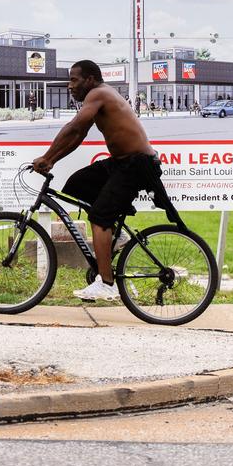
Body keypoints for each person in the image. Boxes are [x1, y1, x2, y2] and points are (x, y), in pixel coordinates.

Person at [32, 60, 179, 301]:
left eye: (73, 80)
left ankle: (107, 283)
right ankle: (115, 235)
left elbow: (74, 126)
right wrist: (52, 160)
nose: (69, 86)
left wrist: (47, 156)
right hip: (123, 162)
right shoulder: (99, 95)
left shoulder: (99, 93)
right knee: (77, 184)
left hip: (136, 164)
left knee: (99, 217)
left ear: (90, 79)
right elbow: (78, 135)